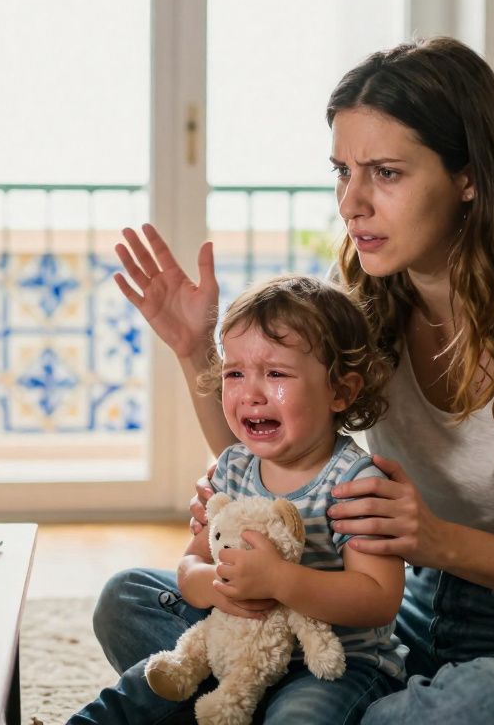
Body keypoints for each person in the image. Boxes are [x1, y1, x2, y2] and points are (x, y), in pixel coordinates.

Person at [90, 35, 494, 725]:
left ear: (470, 176)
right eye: (342, 171)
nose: (351, 202)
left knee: (479, 707)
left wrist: (438, 541)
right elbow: (277, 450)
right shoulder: (363, 301)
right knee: (130, 600)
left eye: (385, 173)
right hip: (392, 621)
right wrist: (193, 350)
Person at [74, 275, 405, 723]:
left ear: (340, 391)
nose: (250, 393)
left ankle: (233, 708)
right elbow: (191, 565)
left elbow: (378, 598)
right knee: (129, 602)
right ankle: (230, 702)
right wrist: (217, 585)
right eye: (235, 373)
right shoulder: (233, 466)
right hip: (234, 649)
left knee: (300, 718)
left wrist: (279, 581)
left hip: (331, 667)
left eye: (276, 374)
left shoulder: (354, 483)